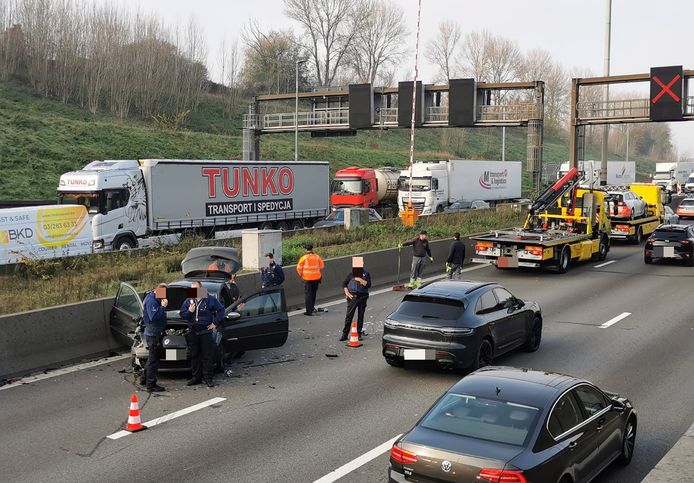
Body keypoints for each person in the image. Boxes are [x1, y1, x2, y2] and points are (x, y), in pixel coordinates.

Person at [179, 281, 225, 388]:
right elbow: (182, 315)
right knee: (195, 355)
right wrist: (190, 311)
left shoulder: (209, 299)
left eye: (195, 288)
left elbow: (221, 310)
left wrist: (215, 323)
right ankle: (196, 377)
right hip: (193, 332)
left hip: (205, 332)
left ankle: (208, 378)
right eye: (192, 289)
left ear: (201, 289)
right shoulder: (188, 301)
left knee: (207, 356)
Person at [140, 283, 168, 392]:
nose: (165, 297)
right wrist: (163, 307)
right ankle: (151, 385)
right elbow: (154, 317)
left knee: (152, 358)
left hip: (155, 333)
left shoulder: (152, 296)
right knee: (154, 360)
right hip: (153, 335)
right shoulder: (151, 301)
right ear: (157, 291)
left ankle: (144, 378)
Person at [340, 257, 371, 341]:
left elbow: (368, 285)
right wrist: (347, 292)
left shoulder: (366, 274)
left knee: (360, 316)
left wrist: (361, 280)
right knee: (349, 316)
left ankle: (358, 333)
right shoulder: (351, 274)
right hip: (352, 298)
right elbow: (344, 284)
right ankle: (345, 334)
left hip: (362, 297)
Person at [296, 243, 324, 316]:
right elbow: (322, 266)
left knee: (308, 295)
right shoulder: (317, 257)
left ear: (306, 250)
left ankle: (309, 311)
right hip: (316, 278)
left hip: (307, 279)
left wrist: (302, 275)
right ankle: (312, 308)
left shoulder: (304, 258)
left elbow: (298, 268)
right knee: (313, 294)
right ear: (312, 249)